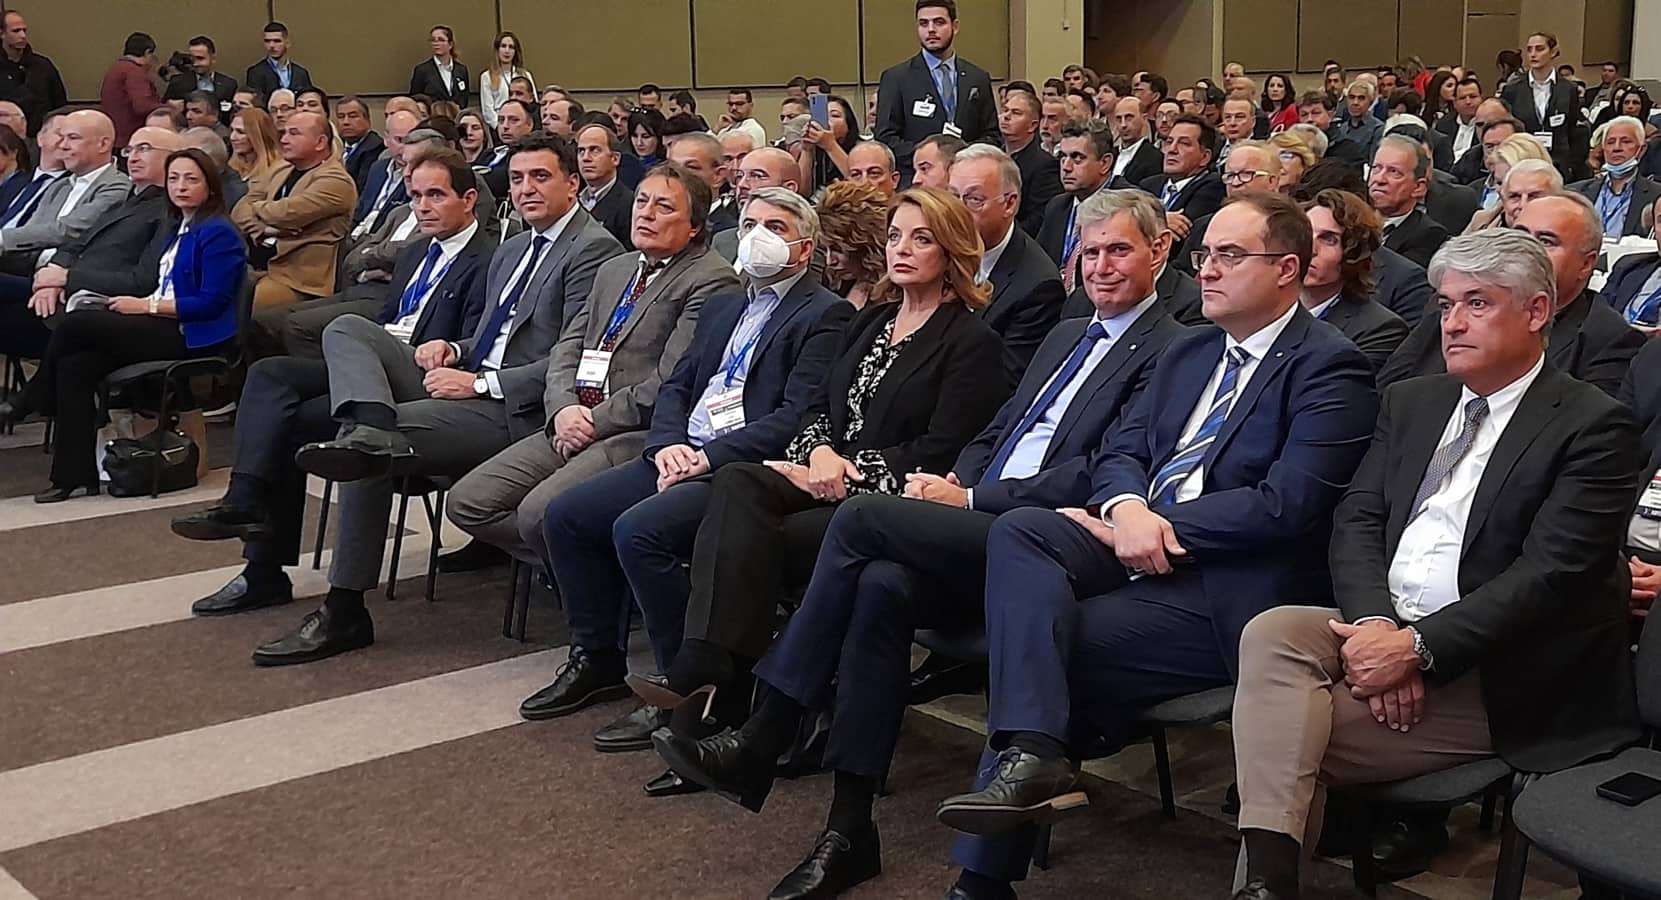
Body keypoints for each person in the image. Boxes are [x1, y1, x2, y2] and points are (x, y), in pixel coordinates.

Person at [656, 188, 1191, 896]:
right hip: (974, 520)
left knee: (859, 521)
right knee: (878, 583)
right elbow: (996, 433)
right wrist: (953, 481)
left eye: (1118, 250)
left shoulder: (1175, 348)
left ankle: (766, 728)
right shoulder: (1068, 334)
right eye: (1089, 252)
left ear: (1159, 252)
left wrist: (968, 497)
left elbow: (1101, 468)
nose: (1100, 266)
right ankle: (848, 831)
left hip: (1047, 539)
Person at [932, 192, 1378, 900]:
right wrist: (1127, 508)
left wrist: (1159, 527)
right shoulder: (1190, 349)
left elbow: (1287, 504)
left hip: (1224, 585)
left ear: (1287, 269)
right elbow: (1123, 450)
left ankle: (983, 875)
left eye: (1229, 256)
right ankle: (1038, 753)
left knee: (1045, 644)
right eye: (1204, 254)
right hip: (1131, 538)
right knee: (1021, 531)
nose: (1207, 270)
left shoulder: (1330, 366)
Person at [1230, 228, 1640, 900]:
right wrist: (1377, 628)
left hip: (1505, 669)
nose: (1452, 323)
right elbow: (1357, 519)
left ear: (1536, 311)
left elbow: (1549, 576)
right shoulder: (1414, 401)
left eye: (1477, 304)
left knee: (1281, 738)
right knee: (1273, 632)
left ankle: (1262, 886)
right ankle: (1271, 885)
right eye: (1445, 305)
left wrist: (1418, 649)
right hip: (1388, 621)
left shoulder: (1593, 425)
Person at [631, 187, 1009, 791]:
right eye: (894, 236)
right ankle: (710, 667)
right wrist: (820, 454)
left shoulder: (972, 342)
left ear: (953, 253)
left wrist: (846, 469)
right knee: (738, 482)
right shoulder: (873, 321)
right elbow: (818, 411)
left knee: (756, 542)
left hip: (889, 502)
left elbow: (942, 451)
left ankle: (721, 690)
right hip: (828, 477)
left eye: (921, 239)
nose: (901, 249)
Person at [522, 187, 851, 756]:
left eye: (775, 227)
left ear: (805, 248)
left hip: (742, 468)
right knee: (567, 516)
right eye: (749, 224)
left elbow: (796, 415)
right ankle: (597, 657)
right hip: (682, 451)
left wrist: (708, 457)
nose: (757, 237)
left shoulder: (825, 313)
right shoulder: (726, 306)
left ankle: (686, 687)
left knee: (639, 532)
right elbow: (677, 385)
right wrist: (668, 443)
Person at [175, 149, 495, 615]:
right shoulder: (414, 254)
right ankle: (257, 548)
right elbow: (390, 319)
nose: (422, 207)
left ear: (467, 200)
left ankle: (261, 539)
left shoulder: (489, 259)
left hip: (423, 378)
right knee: (273, 384)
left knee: (328, 350)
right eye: (415, 196)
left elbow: (476, 342)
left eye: (435, 195)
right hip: (372, 367)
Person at [440, 161, 737, 578]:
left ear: (694, 227)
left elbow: (670, 381)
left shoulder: (710, 279)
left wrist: (594, 422)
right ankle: (586, 571)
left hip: (634, 430)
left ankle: (594, 582)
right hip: (573, 417)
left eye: (664, 207)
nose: (646, 213)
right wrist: (563, 409)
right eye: (642, 201)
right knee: (469, 502)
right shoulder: (616, 268)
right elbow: (568, 348)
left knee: (538, 514)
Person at [0, 149, 245, 502]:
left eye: (191, 179)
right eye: (174, 179)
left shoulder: (219, 232)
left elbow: (211, 304)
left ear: (211, 187)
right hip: (158, 320)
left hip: (191, 333)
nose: (180, 186)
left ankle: (34, 397)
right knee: (75, 365)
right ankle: (73, 476)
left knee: (77, 324)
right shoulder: (176, 226)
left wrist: (144, 306)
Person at [1379, 192, 1642, 397]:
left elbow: (1581, 429)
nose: (1526, 250)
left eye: (1546, 241)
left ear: (1586, 264)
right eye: (1519, 236)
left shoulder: (1608, 339)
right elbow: (1387, 390)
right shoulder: (1452, 306)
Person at [948, 144, 1064, 382]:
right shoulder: (938, 250)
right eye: (952, 197)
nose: (957, 212)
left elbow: (1005, 382)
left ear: (1010, 204)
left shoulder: (1038, 287)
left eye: (974, 200)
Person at [230, 111, 356, 311]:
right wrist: (265, 228)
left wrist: (257, 209)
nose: (284, 140)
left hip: (299, 279)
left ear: (320, 142)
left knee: (242, 308)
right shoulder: (281, 170)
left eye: (294, 133)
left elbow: (285, 213)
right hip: (261, 264)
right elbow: (238, 211)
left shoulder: (336, 181)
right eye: (284, 133)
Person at [873, 1, 1000, 181]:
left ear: (955, 26)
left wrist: (963, 155)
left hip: (967, 179)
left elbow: (992, 135)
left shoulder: (977, 78)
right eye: (923, 24)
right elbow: (885, 137)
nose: (931, 30)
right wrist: (928, 159)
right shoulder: (896, 78)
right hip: (917, 179)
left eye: (939, 22)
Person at [0, 110, 130, 275]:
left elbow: (69, 230)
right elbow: (32, 230)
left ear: (103, 144)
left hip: (66, 275)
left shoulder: (117, 186)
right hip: (27, 266)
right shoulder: (60, 185)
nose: (63, 146)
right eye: (62, 137)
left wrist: (2, 238)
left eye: (73, 138)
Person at [1298, 188, 1408, 371]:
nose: (1310, 249)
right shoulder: (1261, 306)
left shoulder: (1380, 329)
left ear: (1354, 253)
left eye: (1328, 239)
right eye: (1306, 234)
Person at [1040, 123, 1127, 294]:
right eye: (1062, 157)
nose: (1066, 167)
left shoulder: (1126, 206)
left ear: (1105, 163)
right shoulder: (1057, 206)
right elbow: (1040, 262)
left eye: (1077, 158)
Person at [1501, 31, 1590, 182]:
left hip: (1559, 163)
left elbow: (1572, 129)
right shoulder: (1513, 89)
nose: (1533, 54)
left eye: (1539, 49)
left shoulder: (1568, 89)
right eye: (1529, 50)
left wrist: (1570, 164)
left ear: (1553, 52)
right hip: (1523, 161)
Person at [1571, 116, 1660, 239]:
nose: (1616, 148)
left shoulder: (1657, 195)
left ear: (1641, 149)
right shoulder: (1575, 193)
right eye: (1610, 142)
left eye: (1626, 141)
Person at [1140, 114, 1225, 242]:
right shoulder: (1148, 185)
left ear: (1204, 157)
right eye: (1169, 142)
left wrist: (1147, 220)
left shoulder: (1213, 186)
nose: (1172, 150)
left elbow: (1183, 233)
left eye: (1184, 143)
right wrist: (1161, 220)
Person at [1368, 135, 1447, 268]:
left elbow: (1391, 276)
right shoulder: (1350, 219)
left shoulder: (1428, 234)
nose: (1379, 179)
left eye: (1394, 172)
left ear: (1418, 187)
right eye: (1376, 168)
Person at [996, 89, 1061, 237]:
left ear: (1032, 125)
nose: (1006, 116)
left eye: (1016, 113)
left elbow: (1039, 218)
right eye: (1005, 110)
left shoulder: (1045, 165)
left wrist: (1003, 235)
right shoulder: (993, 156)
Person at [816, 180, 888, 308]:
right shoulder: (834, 281)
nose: (829, 261)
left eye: (838, 249)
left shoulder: (896, 289)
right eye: (825, 249)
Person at [350, 110, 417, 237]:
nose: (405, 147)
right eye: (399, 140)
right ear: (386, 139)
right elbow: (361, 210)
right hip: (357, 234)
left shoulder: (417, 176)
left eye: (411, 141)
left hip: (382, 238)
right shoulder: (378, 168)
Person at [0, 11, 66, 137]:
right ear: (2, 33)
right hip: (6, 138)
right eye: (16, 31)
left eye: (24, 30)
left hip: (42, 135)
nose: (22, 35)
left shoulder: (42, 66)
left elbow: (59, 104)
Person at [99, 32, 165, 148]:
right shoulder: (134, 72)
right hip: (129, 138)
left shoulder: (116, 68)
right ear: (147, 52)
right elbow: (142, 106)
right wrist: (168, 108)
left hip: (114, 135)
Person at [1464, 157, 1561, 234]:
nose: (1522, 205)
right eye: (1515, 197)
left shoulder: (1566, 238)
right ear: (1503, 200)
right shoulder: (1480, 226)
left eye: (1533, 197)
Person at [797, 95, 862, 195]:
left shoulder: (862, 148)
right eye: (823, 116)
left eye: (835, 116)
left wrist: (831, 146)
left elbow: (861, 184)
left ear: (848, 124)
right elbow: (801, 193)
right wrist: (806, 150)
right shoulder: (814, 150)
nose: (827, 120)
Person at [165, 36, 238, 127]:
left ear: (213, 58)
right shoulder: (178, 82)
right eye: (192, 59)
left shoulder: (228, 84)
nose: (195, 64)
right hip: (187, 130)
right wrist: (171, 107)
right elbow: (164, 110)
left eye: (200, 58)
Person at [244, 22, 312, 99]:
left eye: (277, 41)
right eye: (267, 41)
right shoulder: (255, 73)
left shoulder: (301, 73)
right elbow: (256, 103)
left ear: (287, 43)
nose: (271, 45)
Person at [407, 25, 469, 108]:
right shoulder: (422, 70)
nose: (436, 43)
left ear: (450, 44)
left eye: (441, 40)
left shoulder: (461, 70)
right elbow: (415, 99)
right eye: (433, 40)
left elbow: (464, 97)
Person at [228, 107, 281, 193]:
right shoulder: (230, 168)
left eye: (240, 132)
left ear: (259, 135)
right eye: (232, 130)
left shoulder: (278, 171)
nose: (232, 137)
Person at [1110, 97, 1161, 185]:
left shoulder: (1155, 158)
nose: (1123, 125)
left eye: (1129, 118)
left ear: (1144, 119)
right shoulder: (1110, 155)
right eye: (1119, 119)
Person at [335, 97, 383, 190]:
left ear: (367, 120)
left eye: (353, 116)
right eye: (341, 117)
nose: (346, 122)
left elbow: (361, 188)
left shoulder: (374, 147)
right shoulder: (335, 145)